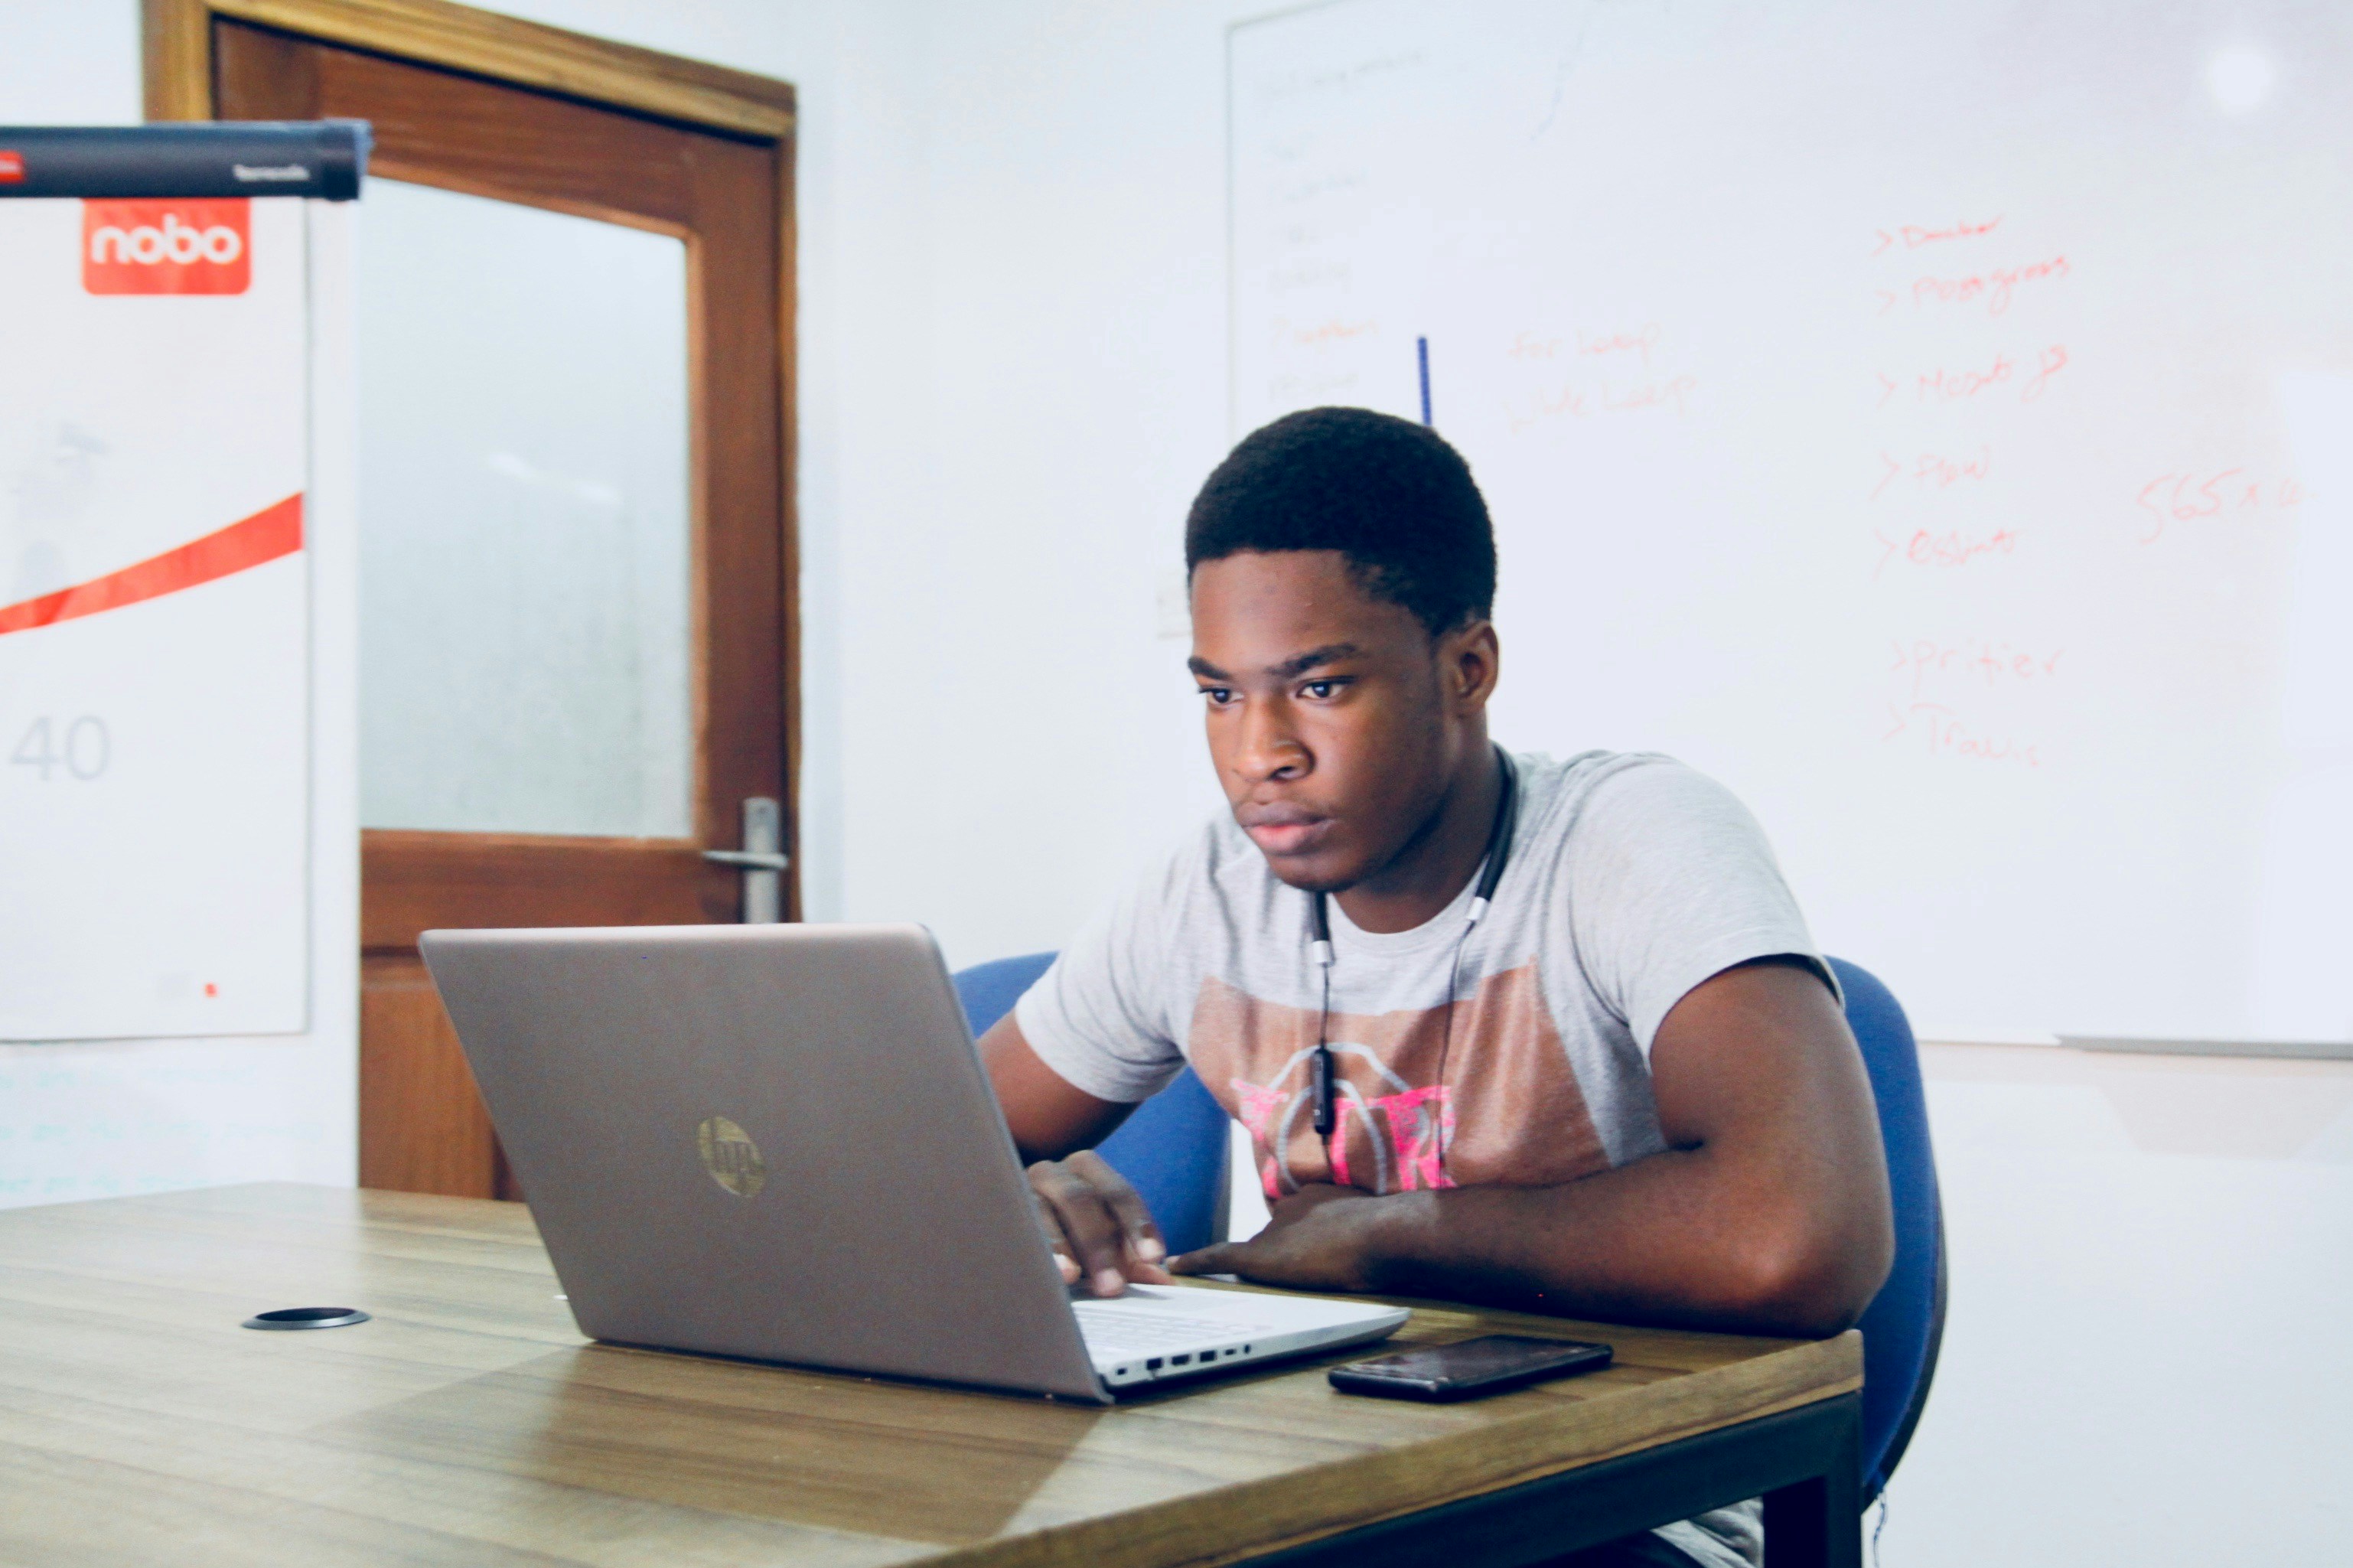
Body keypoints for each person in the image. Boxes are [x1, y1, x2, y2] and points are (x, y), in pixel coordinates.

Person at [977, 406, 1892, 1568]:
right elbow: (919, 1150)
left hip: (1628, 1497)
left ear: (1467, 667)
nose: (1260, 751)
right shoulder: (1204, 886)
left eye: (1317, 687)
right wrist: (1013, 1205)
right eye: (1219, 695)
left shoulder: (1633, 838)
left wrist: (1385, 1234)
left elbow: (1797, 1237)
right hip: (1315, 1474)